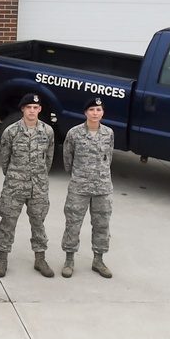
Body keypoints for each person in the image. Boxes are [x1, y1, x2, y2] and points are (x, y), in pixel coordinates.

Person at [0, 93, 55, 278]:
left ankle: (40, 259)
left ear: (40, 109)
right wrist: (15, 175)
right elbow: (4, 159)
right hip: (14, 185)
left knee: (38, 223)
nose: (32, 111)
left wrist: (39, 176)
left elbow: (49, 159)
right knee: (7, 222)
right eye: (28, 107)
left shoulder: (47, 131)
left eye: (35, 108)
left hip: (38, 186)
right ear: (22, 109)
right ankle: (2, 259)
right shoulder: (11, 132)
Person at [61, 97, 115, 278]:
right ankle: (69, 260)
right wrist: (79, 176)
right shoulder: (74, 133)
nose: (95, 113)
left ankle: (98, 260)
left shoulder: (108, 133)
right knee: (73, 223)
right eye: (91, 110)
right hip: (79, 187)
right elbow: (68, 159)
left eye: (98, 110)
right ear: (85, 113)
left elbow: (109, 158)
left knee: (102, 225)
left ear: (103, 113)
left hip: (103, 188)